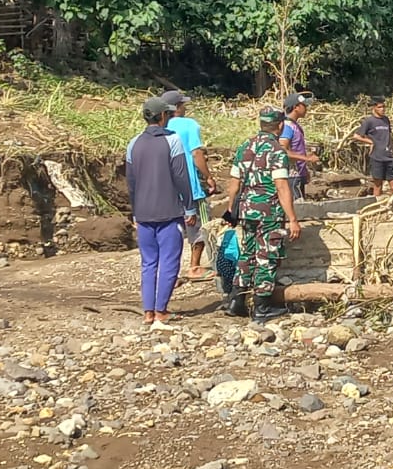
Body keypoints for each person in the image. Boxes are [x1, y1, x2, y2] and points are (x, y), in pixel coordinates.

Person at [221, 106, 300, 324]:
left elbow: (234, 184)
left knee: (248, 253)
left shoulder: (245, 146)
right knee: (267, 256)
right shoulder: (276, 151)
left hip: (246, 211)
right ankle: (262, 307)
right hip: (269, 213)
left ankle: (236, 302)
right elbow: (282, 185)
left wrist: (231, 209)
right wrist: (292, 218)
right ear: (280, 125)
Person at [125, 95, 195, 330]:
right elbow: (181, 176)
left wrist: (135, 212)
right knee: (169, 261)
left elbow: (131, 182)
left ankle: (148, 312)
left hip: (143, 213)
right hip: (169, 212)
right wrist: (190, 205)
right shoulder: (172, 141)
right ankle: (161, 311)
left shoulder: (133, 143)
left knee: (148, 263)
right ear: (163, 116)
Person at [162, 90, 214, 281]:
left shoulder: (160, 127)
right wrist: (208, 176)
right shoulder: (189, 125)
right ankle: (194, 266)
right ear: (177, 107)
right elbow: (196, 154)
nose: (185, 108)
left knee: (172, 231)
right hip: (190, 186)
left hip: (168, 188)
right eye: (183, 105)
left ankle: (170, 274)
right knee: (201, 225)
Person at [352, 96, 393, 199]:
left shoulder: (386, 120)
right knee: (378, 184)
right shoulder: (369, 121)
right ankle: (377, 206)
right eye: (380, 107)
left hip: (388, 156)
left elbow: (389, 136)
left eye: (384, 107)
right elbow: (356, 136)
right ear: (374, 108)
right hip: (376, 157)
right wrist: (370, 142)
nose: (382, 109)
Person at [280, 92, 320, 201]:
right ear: (296, 107)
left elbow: (296, 150)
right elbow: (282, 150)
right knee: (297, 208)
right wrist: (307, 158)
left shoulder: (295, 126)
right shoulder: (287, 127)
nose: (306, 108)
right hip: (291, 176)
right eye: (304, 106)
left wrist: (304, 171)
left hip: (298, 175)